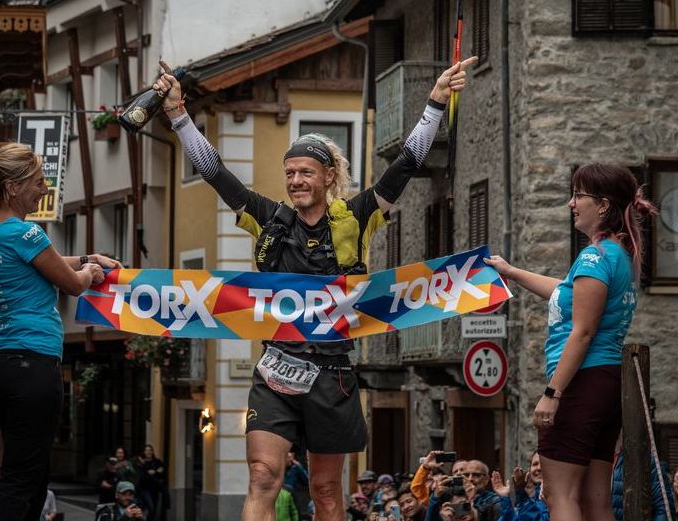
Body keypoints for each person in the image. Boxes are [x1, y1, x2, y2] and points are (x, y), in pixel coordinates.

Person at [149, 56, 476, 521]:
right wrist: (179, 116)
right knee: (263, 475)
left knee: (325, 491)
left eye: (305, 172)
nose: (296, 181)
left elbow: (406, 164)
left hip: (332, 374)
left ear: (327, 176)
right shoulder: (269, 218)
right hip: (276, 369)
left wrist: (436, 102)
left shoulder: (356, 215)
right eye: (289, 173)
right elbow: (215, 172)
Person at [485, 163, 658, 521]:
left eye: (579, 195)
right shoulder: (619, 256)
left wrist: (553, 393)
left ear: (604, 205)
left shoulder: (594, 257)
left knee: (560, 497)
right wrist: (511, 271)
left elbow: (582, 331)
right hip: (607, 384)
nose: (571, 203)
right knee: (596, 503)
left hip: (581, 383)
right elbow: (567, 293)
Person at [0, 143, 118, 521]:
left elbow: (45, 264)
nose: (44, 190)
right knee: (22, 479)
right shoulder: (27, 232)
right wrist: (90, 273)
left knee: (31, 477)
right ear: (14, 188)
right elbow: (71, 284)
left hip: (3, 364)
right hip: (33, 365)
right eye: (38, 182)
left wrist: (88, 258)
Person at [134, 444, 166, 519]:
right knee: (150, 508)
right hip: (144, 489)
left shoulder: (157, 461)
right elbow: (142, 476)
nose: (149, 452)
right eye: (147, 450)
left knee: (154, 510)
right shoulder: (141, 463)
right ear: (144, 452)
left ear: (152, 452)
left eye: (150, 450)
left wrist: (155, 472)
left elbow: (163, 473)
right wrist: (152, 471)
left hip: (155, 489)